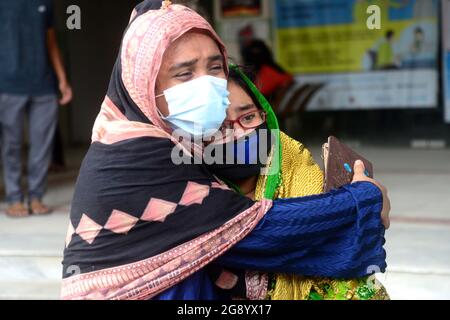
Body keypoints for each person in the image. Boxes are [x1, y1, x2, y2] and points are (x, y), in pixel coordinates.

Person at [61, 1, 389, 300]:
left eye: (215, 67)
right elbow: (258, 233)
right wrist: (362, 200)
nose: (205, 84)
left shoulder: (178, 148)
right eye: (184, 73)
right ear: (146, 86)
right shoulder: (135, 155)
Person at [204, 65, 390, 300]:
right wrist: (363, 199)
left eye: (249, 116)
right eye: (221, 127)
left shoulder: (296, 165)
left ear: (265, 115)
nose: (240, 133)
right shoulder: (191, 200)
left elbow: (360, 236)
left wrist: (365, 198)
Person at [0, 0, 73, 217]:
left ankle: (36, 197)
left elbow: (50, 43)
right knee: (11, 145)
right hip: (8, 86)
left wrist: (62, 80)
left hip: (44, 85)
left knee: (42, 146)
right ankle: (14, 198)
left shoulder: (44, 4)